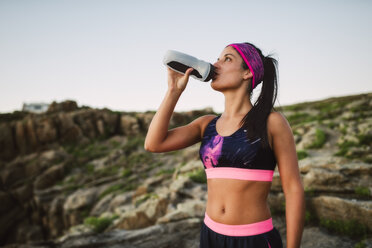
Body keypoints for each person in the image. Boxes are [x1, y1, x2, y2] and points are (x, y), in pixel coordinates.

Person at [144, 42, 305, 248]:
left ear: (247, 72)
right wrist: (174, 91)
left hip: (254, 239)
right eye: (217, 58)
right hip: (210, 236)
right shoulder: (206, 124)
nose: (215, 64)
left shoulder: (272, 122)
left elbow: (293, 189)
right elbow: (154, 143)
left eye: (226, 59)